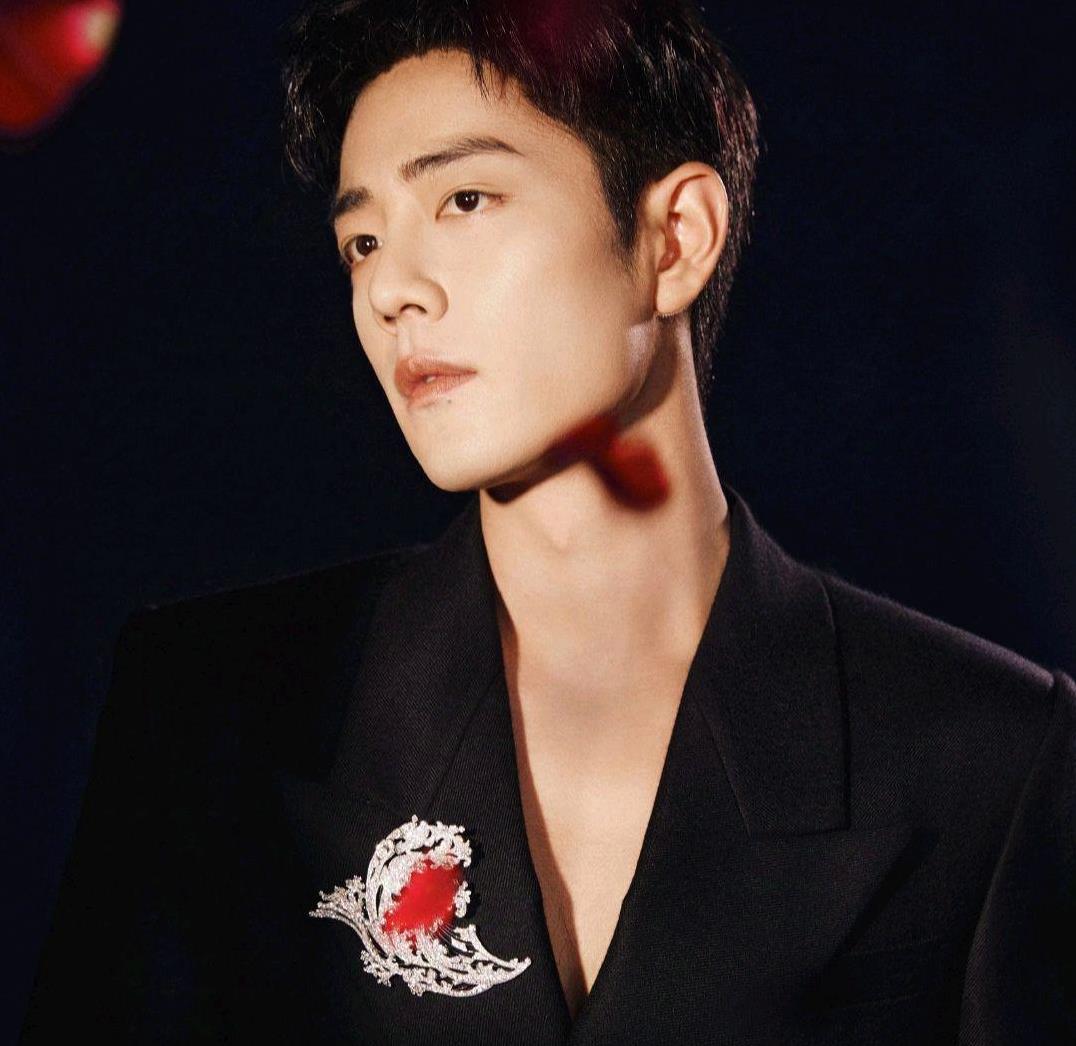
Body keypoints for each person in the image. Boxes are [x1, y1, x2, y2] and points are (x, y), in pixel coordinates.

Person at [21, 1, 1076, 1043]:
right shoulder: (216, 711)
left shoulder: (984, 753)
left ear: (675, 238)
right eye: (362, 240)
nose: (392, 288)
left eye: (465, 198)